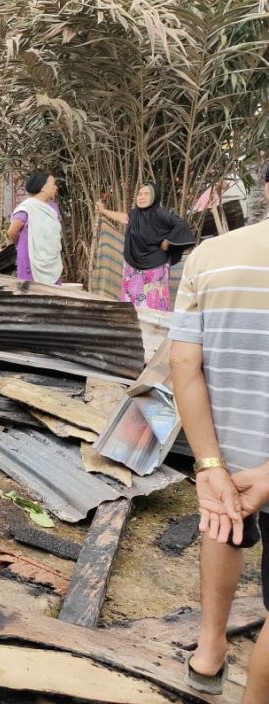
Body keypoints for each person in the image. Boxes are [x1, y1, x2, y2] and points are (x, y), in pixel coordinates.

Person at [168, 217, 269, 700]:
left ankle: (209, 653)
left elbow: (184, 362)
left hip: (228, 459)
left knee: (223, 526)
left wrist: (209, 464)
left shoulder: (209, 256)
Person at [97, 181, 195, 311]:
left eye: (146, 194)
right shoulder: (135, 214)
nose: (142, 197)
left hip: (155, 266)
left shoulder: (160, 213)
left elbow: (181, 225)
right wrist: (103, 211)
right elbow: (124, 218)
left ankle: (154, 329)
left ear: (154, 197)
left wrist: (167, 241)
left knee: (153, 301)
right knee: (131, 301)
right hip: (132, 264)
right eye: (139, 194)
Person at [7, 171, 62, 285]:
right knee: (31, 294)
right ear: (42, 187)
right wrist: (21, 244)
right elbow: (12, 232)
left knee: (54, 295)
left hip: (52, 260)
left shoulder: (53, 207)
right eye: (53, 184)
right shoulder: (27, 208)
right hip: (30, 260)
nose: (56, 187)